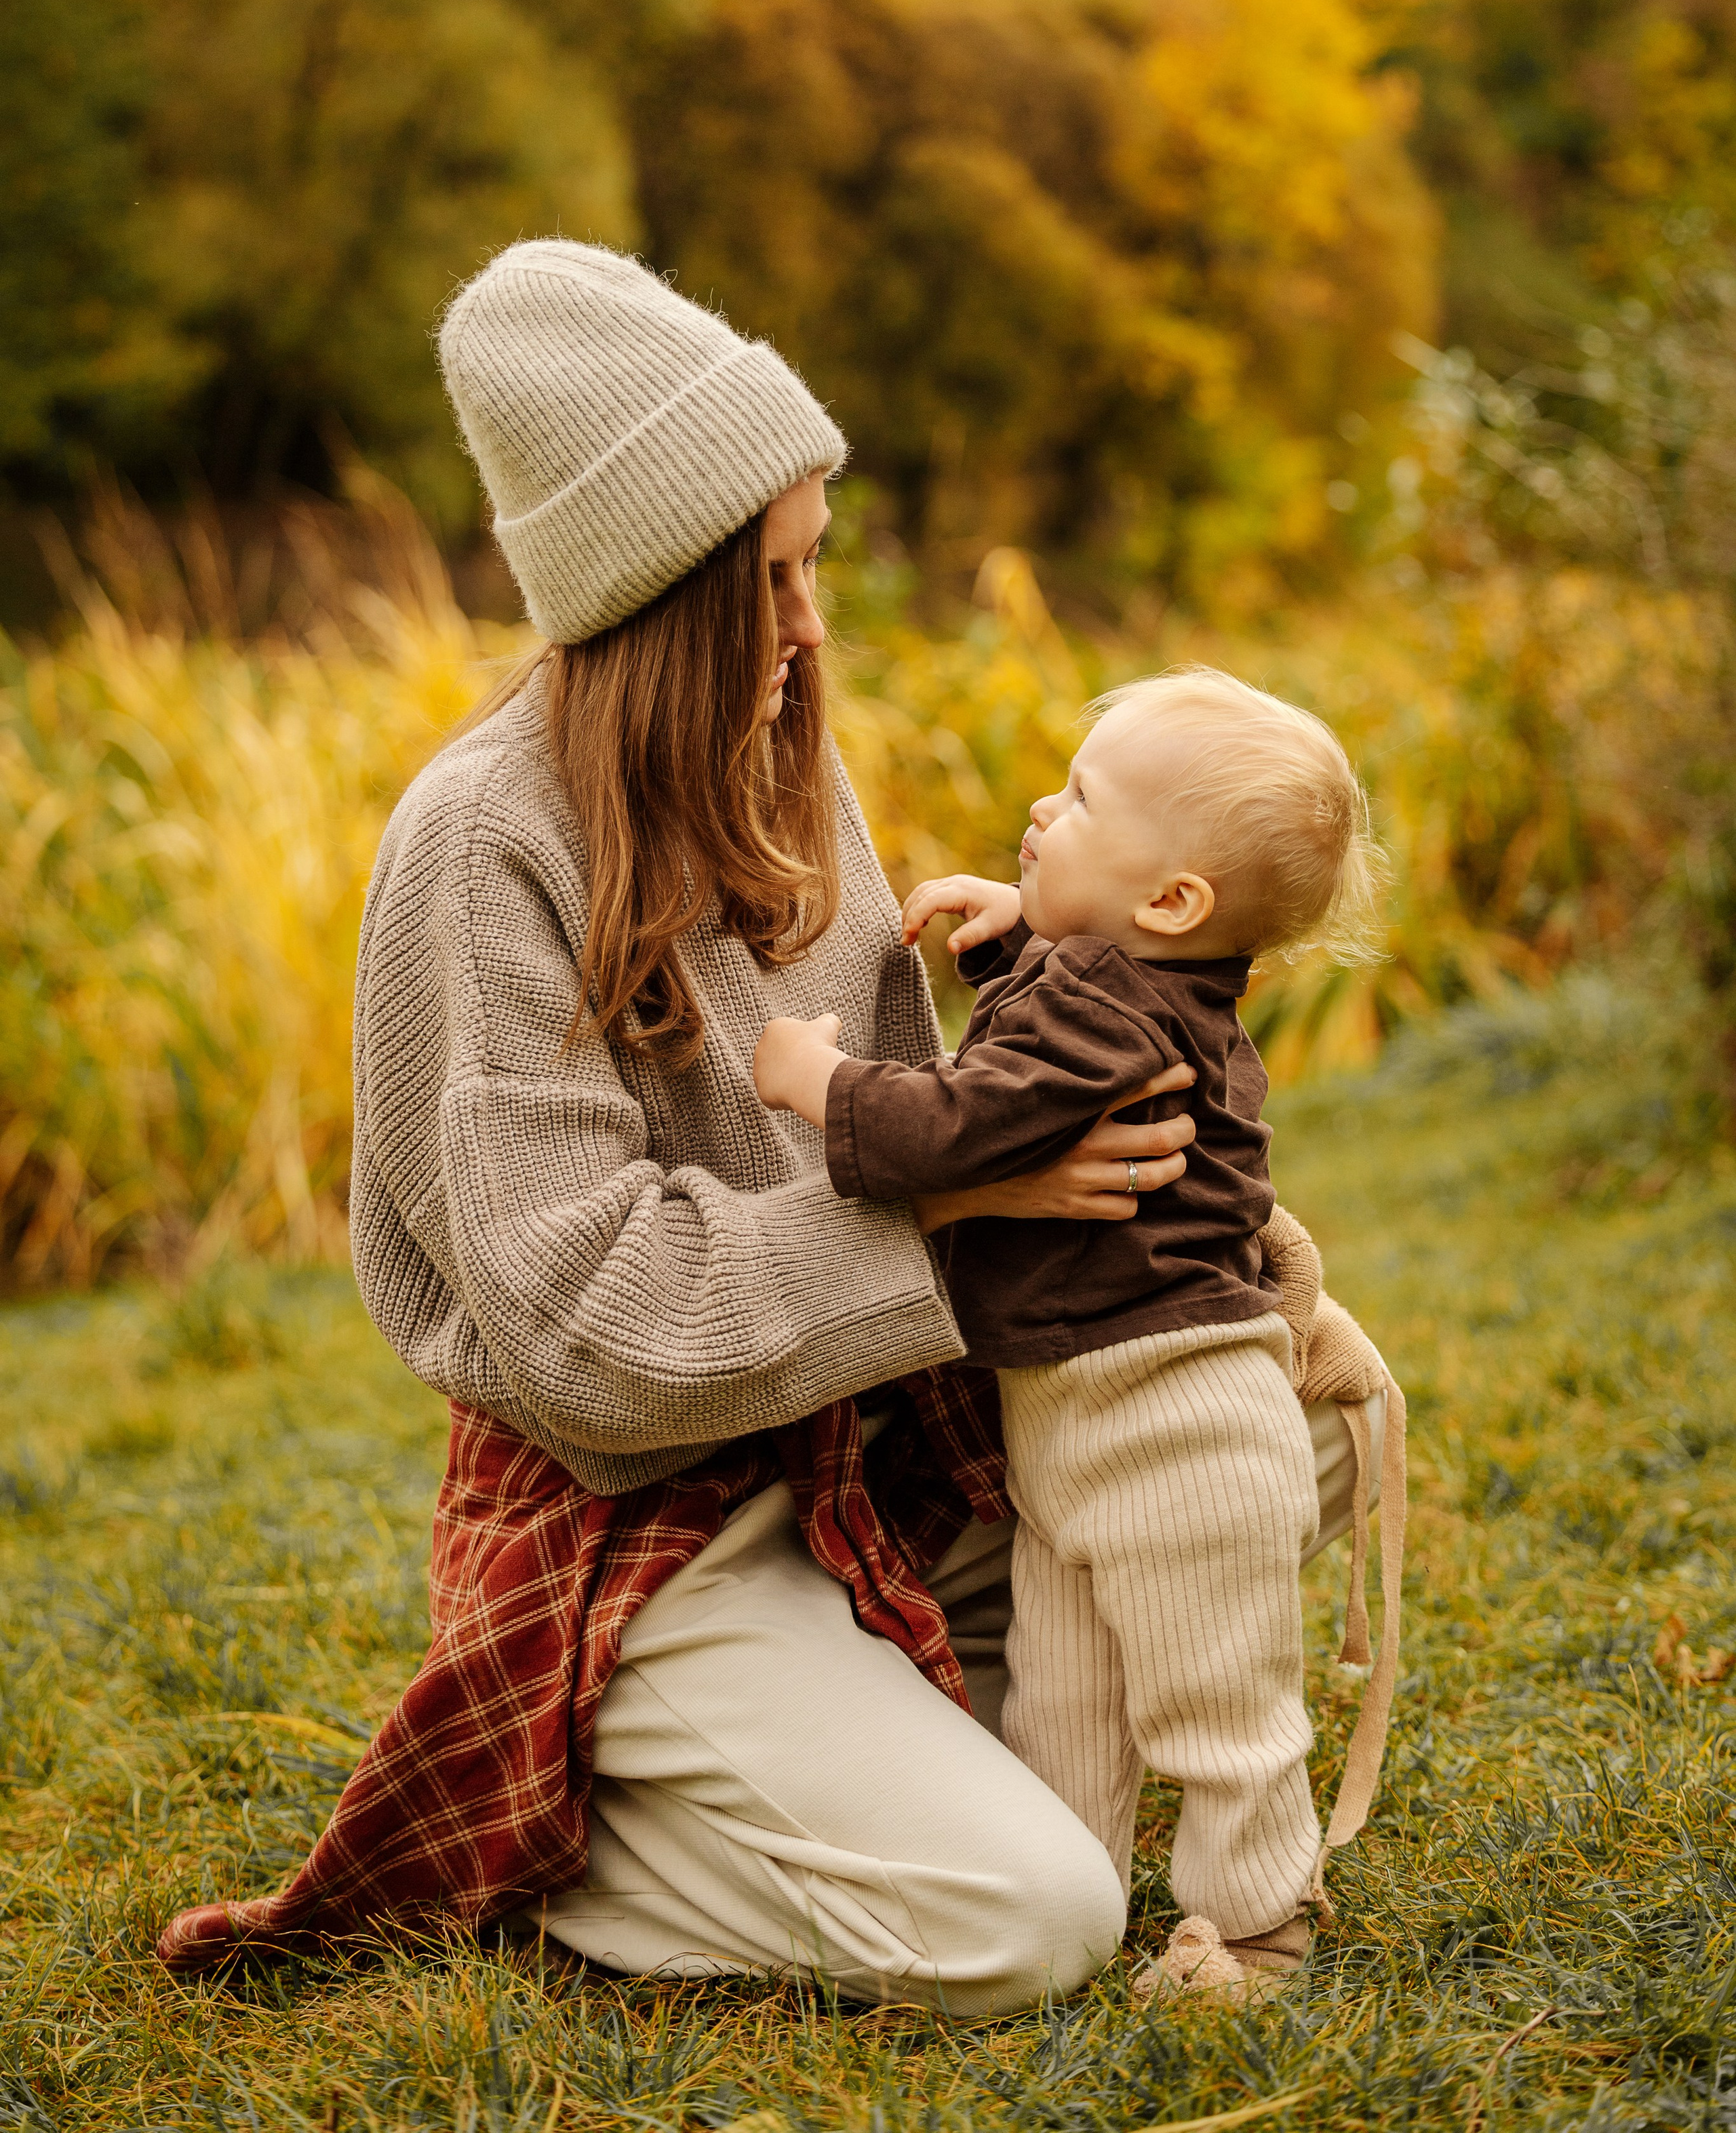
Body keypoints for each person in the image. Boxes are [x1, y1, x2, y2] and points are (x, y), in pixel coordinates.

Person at [156, 241, 1388, 2015]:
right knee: (1032, 1923)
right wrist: (969, 1210)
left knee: (1253, 1427)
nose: (814, 628)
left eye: (816, 565)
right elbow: (595, 1327)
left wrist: (1155, 1208)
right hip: (644, 1503)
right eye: (779, 580)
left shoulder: (792, 771)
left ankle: (882, 1729)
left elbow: (917, 1126)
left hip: (866, 1443)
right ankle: (595, 1817)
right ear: (661, 595)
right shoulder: (482, 849)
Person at [754, 668, 1403, 2001]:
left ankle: (1257, 1930)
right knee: (1067, 1696)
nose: (1044, 808)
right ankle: (1081, 1878)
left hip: (1170, 1423)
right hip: (1078, 1424)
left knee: (1210, 1702)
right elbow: (1054, 1039)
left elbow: (968, 1117)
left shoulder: (1098, 1009)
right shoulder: (1145, 986)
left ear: (1166, 903)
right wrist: (1011, 939)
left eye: (1083, 801)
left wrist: (816, 1084)